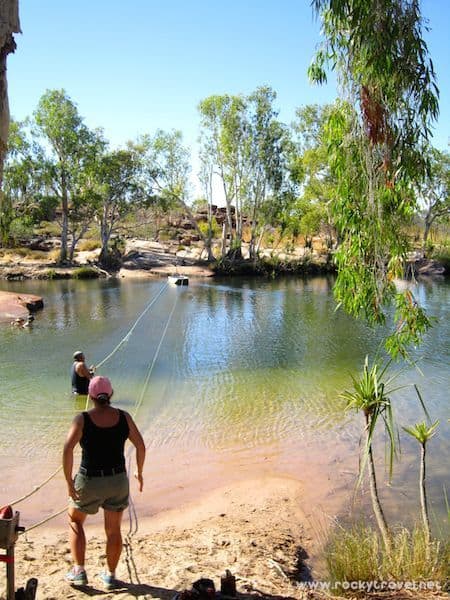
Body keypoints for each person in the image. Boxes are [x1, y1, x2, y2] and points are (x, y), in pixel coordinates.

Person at [63, 376, 145, 589]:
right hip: (117, 480)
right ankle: (109, 575)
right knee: (113, 529)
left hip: (89, 479)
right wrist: (139, 472)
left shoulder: (82, 419)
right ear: (111, 395)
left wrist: (68, 482)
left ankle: (79, 571)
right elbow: (141, 446)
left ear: (90, 396)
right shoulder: (124, 417)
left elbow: (67, 450)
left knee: (75, 520)